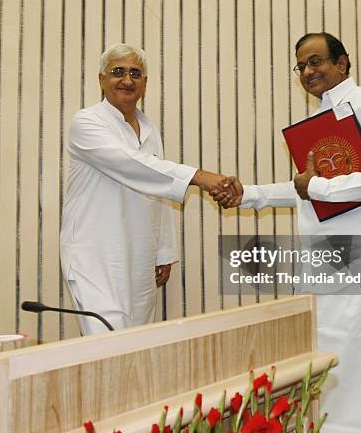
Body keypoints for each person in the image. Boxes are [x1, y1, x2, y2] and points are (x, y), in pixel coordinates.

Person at [212, 33, 361, 433]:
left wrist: (319, 185)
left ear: (343, 63)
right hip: (324, 263)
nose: (309, 71)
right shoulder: (319, 118)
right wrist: (248, 194)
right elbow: (304, 192)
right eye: (302, 66)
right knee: (334, 367)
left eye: (317, 61)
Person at [60, 43, 235, 335]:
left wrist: (163, 252)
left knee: (137, 346)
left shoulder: (149, 128)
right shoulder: (87, 122)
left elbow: (157, 190)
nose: (127, 80)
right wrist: (199, 176)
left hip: (140, 257)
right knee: (107, 344)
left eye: (135, 73)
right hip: (96, 256)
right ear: (101, 79)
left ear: (145, 83)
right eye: (118, 72)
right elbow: (133, 165)